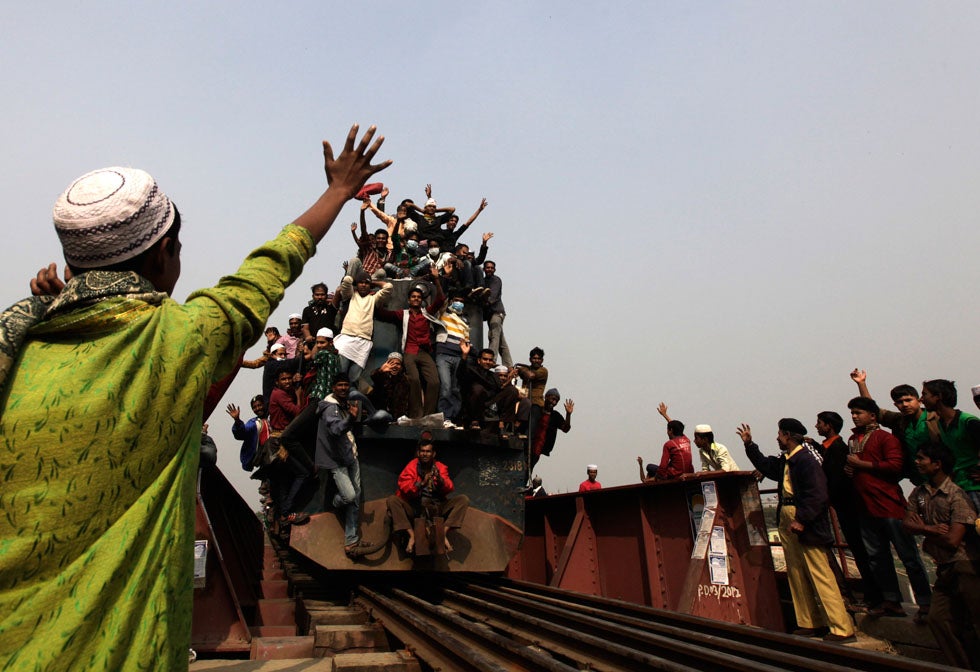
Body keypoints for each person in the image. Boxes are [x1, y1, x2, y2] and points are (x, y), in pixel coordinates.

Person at [0, 124, 389, 669]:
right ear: (165, 253)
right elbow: (271, 267)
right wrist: (337, 192)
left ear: (72, 264)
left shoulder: (17, 350)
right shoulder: (184, 339)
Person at [737, 420, 856, 642]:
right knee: (796, 572)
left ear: (788, 436)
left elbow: (818, 494)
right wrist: (750, 445)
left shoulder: (805, 461)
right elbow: (766, 466)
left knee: (819, 572)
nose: (777, 438)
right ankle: (809, 622)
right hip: (788, 515)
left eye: (780, 434)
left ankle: (841, 627)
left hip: (802, 518)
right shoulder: (788, 461)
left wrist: (803, 519)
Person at [844, 396, 932, 618]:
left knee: (908, 557)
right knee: (878, 558)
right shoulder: (854, 439)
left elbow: (895, 466)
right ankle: (891, 600)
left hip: (889, 505)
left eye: (858, 413)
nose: (854, 416)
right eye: (853, 413)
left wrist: (860, 465)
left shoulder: (885, 438)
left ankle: (925, 602)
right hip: (865, 506)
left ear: (872, 416)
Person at [903, 443, 980, 668]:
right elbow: (907, 524)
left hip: (965, 566)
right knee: (938, 619)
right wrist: (929, 530)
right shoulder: (919, 493)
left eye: (922, 458)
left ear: (937, 464)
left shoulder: (957, 495)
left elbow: (952, 540)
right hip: (945, 567)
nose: (917, 462)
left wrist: (923, 531)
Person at [814, 410, 881, 612]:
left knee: (861, 550)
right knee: (860, 550)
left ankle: (874, 596)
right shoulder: (831, 447)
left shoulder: (838, 449)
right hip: (844, 504)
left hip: (846, 505)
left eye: (820, 423)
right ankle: (873, 596)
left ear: (829, 426)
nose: (817, 426)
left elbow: (835, 478)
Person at [374, 268, 444, 417]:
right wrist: (375, 298)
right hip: (410, 351)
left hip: (425, 352)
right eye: (413, 296)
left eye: (419, 297)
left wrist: (437, 279)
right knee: (414, 380)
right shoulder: (403, 314)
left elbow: (440, 300)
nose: (416, 299)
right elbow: (382, 314)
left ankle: (428, 414)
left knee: (434, 382)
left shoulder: (426, 313)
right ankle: (416, 414)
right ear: (409, 300)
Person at [850, 369, 939, 485]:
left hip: (943, 474)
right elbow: (874, 410)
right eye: (900, 402)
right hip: (918, 477)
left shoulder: (936, 419)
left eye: (908, 400)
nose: (905, 405)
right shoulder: (899, 421)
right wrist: (861, 384)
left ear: (919, 401)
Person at [386, 434, 469, 554]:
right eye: (422, 451)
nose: (425, 454)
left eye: (428, 451)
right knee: (392, 500)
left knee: (463, 499)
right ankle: (412, 535)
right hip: (415, 507)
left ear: (433, 454)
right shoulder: (412, 466)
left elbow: (450, 486)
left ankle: (442, 533)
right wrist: (421, 483)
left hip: (436, 507)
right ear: (418, 453)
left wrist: (440, 480)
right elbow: (404, 485)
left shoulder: (440, 467)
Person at [315, 374, 368, 557]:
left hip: (351, 455)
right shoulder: (330, 408)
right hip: (336, 460)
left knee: (356, 497)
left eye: (346, 385)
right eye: (340, 385)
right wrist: (351, 419)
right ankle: (335, 501)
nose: (344, 388)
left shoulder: (345, 404)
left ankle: (351, 540)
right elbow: (336, 429)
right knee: (350, 496)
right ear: (333, 387)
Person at [920, 379, 980, 513]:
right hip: (960, 486)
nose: (921, 399)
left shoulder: (968, 422)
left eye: (925, 394)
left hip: (975, 487)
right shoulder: (941, 423)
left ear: (938, 397)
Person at [333, 271, 392, 388]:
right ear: (356, 284)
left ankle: (351, 405)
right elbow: (346, 280)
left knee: (353, 379)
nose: (363, 285)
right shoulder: (351, 295)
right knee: (341, 375)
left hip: (363, 343)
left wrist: (373, 282)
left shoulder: (373, 299)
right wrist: (357, 280)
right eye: (361, 283)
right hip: (347, 339)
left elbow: (388, 287)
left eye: (366, 283)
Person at [434, 292, 470, 421]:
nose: (459, 303)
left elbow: (466, 340)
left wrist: (466, 351)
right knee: (446, 386)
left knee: (456, 388)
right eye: (456, 300)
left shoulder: (465, 321)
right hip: (444, 354)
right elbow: (441, 304)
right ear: (451, 301)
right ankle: (444, 416)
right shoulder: (443, 314)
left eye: (461, 301)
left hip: (458, 356)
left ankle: (454, 416)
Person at [528, 390, 574, 471]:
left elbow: (566, 429)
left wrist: (568, 414)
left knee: (529, 468)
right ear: (546, 397)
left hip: (539, 448)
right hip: (529, 443)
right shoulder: (536, 410)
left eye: (556, 401)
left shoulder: (555, 416)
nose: (553, 402)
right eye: (552, 399)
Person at [481, 260, 512, 367]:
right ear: (484, 269)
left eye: (491, 268)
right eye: (487, 267)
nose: (489, 269)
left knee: (493, 335)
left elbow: (492, 297)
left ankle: (491, 359)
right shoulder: (483, 281)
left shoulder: (496, 280)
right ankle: (509, 366)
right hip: (490, 315)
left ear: (494, 270)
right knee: (501, 341)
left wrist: (483, 302)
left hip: (497, 312)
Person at [227, 396, 270, 472]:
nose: (257, 409)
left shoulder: (274, 416)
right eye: (254, 407)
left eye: (259, 405)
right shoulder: (255, 423)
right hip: (266, 460)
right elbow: (241, 434)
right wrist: (237, 420)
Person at [654, 403, 695, 481]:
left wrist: (657, 478)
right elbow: (676, 427)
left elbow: (662, 466)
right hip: (689, 473)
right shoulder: (686, 440)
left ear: (671, 430)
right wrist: (665, 415)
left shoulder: (669, 444)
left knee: (650, 467)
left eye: (667, 430)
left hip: (674, 475)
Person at [368, 352, 411, 419]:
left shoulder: (405, 381)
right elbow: (374, 377)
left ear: (401, 367)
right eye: (392, 363)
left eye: (397, 364)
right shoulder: (382, 376)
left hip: (395, 418)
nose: (394, 366)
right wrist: (380, 371)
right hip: (378, 413)